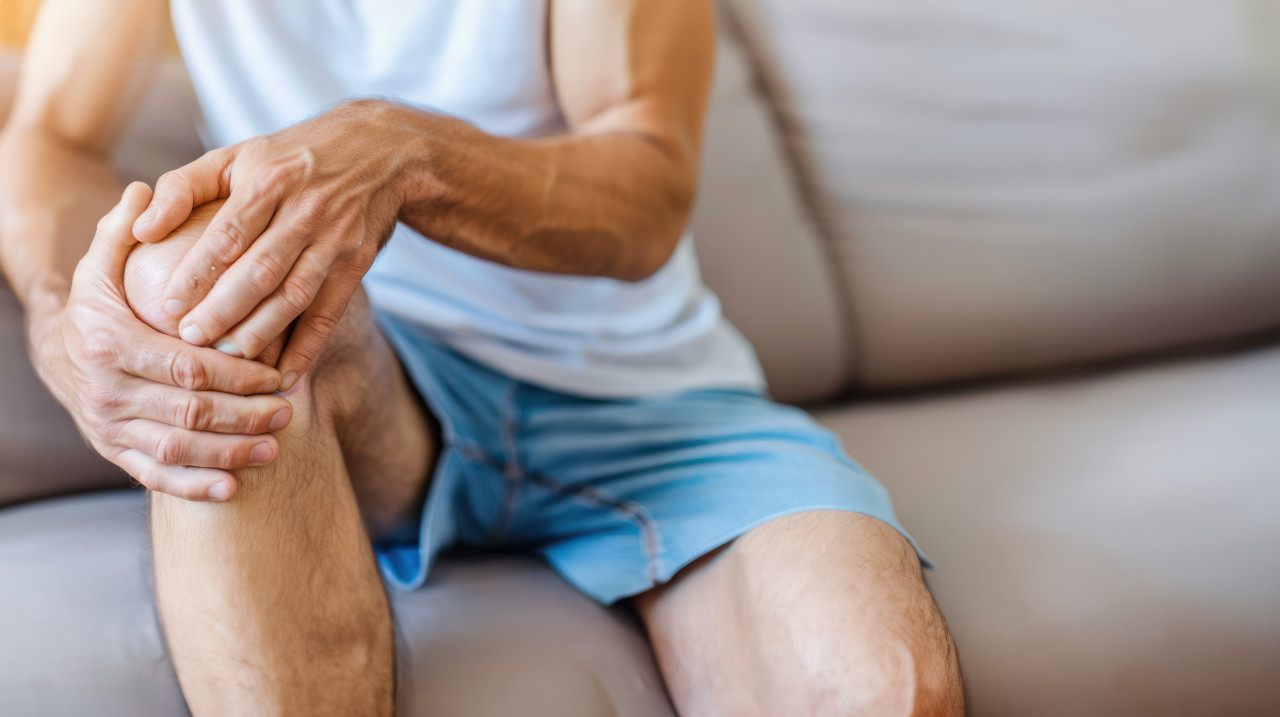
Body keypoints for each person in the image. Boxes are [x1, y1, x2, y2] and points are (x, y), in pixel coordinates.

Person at [0, 1, 963, 714]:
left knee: (883, 687)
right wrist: (59, 324)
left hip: (648, 403)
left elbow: (648, 192)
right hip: (375, 383)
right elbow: (47, 135)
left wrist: (406, 150)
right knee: (201, 282)